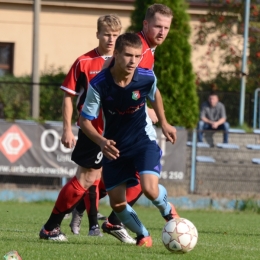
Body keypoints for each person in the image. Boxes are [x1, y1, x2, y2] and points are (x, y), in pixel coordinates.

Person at [71, 3, 180, 241]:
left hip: (135, 129)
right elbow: (111, 76)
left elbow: (150, 88)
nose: (162, 32)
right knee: (102, 179)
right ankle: (105, 216)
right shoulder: (136, 49)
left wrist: (158, 116)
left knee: (144, 183)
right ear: (145, 25)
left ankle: (112, 218)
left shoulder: (147, 51)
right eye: (158, 26)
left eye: (166, 27)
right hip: (110, 125)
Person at [39, 14, 138, 242]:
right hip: (94, 130)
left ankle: (105, 219)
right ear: (97, 34)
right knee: (86, 179)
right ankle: (51, 227)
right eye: (107, 34)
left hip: (120, 131)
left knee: (130, 176)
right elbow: (68, 97)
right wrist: (66, 129)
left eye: (115, 35)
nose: (111, 39)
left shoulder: (125, 61)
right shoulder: (84, 62)